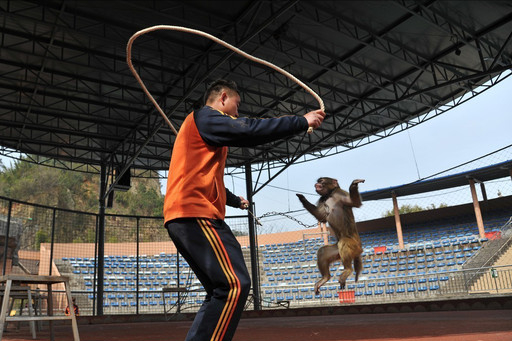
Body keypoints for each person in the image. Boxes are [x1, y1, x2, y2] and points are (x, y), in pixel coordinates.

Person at [164, 79, 324, 341]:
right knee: (234, 285)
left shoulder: (203, 127)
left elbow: (205, 178)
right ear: (223, 97)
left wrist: (234, 200)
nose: (237, 114)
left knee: (222, 288)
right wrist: (301, 121)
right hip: (195, 214)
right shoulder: (206, 117)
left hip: (189, 214)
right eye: (236, 106)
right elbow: (248, 129)